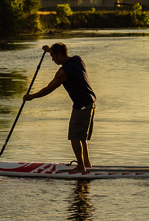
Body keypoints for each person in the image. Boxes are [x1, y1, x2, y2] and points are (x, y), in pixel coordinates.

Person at [23, 43, 96, 173]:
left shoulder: (63, 72)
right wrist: (48, 50)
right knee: (81, 137)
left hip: (82, 105)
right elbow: (59, 51)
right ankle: (86, 164)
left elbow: (48, 89)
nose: (52, 59)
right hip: (90, 102)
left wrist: (32, 96)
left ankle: (81, 167)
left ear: (60, 55)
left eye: (53, 56)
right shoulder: (77, 59)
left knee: (74, 137)